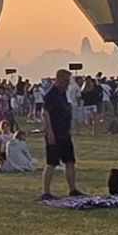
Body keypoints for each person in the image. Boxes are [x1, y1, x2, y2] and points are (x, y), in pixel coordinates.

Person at [39, 70, 82, 199]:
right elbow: (45, 113)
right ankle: (46, 192)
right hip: (55, 132)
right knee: (51, 163)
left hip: (64, 132)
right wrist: (49, 131)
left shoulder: (63, 93)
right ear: (58, 79)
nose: (67, 83)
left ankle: (72, 189)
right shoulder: (51, 95)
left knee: (70, 161)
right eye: (65, 81)